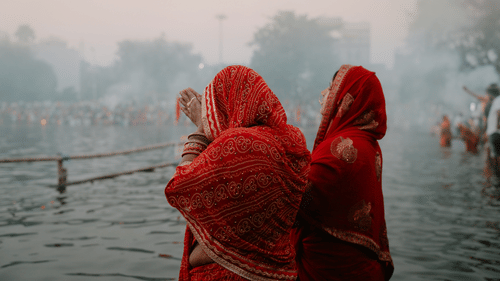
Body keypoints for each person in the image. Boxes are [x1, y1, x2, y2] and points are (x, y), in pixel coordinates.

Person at [164, 65, 311, 280]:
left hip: (231, 272)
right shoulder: (291, 140)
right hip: (278, 271)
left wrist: (201, 131)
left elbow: (179, 185)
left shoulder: (238, 144)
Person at [292, 64, 393, 280]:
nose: (324, 93)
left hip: (331, 270)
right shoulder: (368, 143)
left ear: (348, 98)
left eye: (331, 87)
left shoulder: (343, 148)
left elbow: (294, 200)